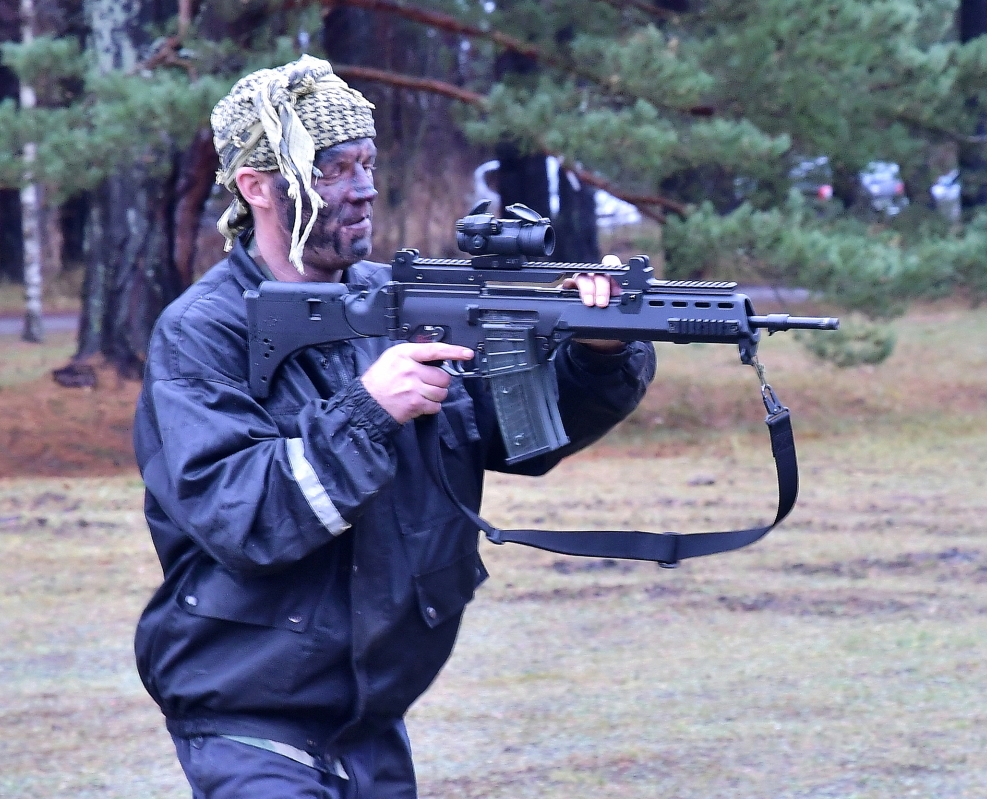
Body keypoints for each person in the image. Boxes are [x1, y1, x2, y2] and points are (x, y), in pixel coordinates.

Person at [132, 55, 655, 798]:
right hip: (251, 719)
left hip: (369, 726)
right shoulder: (203, 333)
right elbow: (241, 516)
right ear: (257, 186)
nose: (364, 188)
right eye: (334, 169)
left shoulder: (402, 301)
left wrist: (596, 355)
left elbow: (517, 435)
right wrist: (368, 409)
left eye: (368, 164)